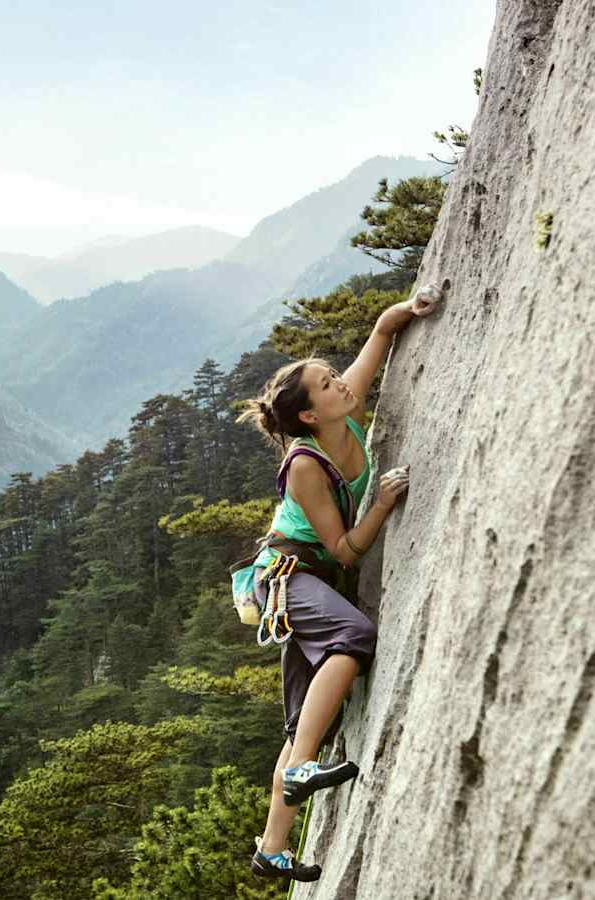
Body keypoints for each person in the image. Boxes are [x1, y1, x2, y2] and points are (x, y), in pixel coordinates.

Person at [236, 282, 442, 882]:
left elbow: (378, 339)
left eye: (333, 376)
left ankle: (271, 848)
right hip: (289, 575)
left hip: (312, 579)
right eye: (327, 384)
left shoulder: (342, 412)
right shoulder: (304, 465)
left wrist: (406, 311)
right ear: (308, 414)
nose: (341, 384)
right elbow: (345, 551)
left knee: (305, 723)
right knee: (353, 639)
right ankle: (301, 768)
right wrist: (380, 504)